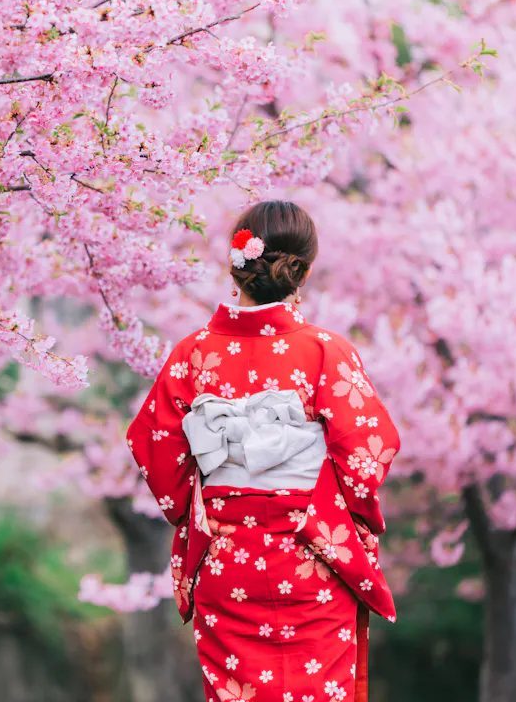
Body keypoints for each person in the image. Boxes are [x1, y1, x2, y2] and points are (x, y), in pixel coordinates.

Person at [125, 200, 401, 702]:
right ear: (304, 270)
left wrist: (212, 509)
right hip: (310, 555)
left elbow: (155, 448)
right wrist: (328, 514)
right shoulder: (325, 351)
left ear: (237, 266)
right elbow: (367, 453)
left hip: (227, 561)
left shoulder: (193, 354)